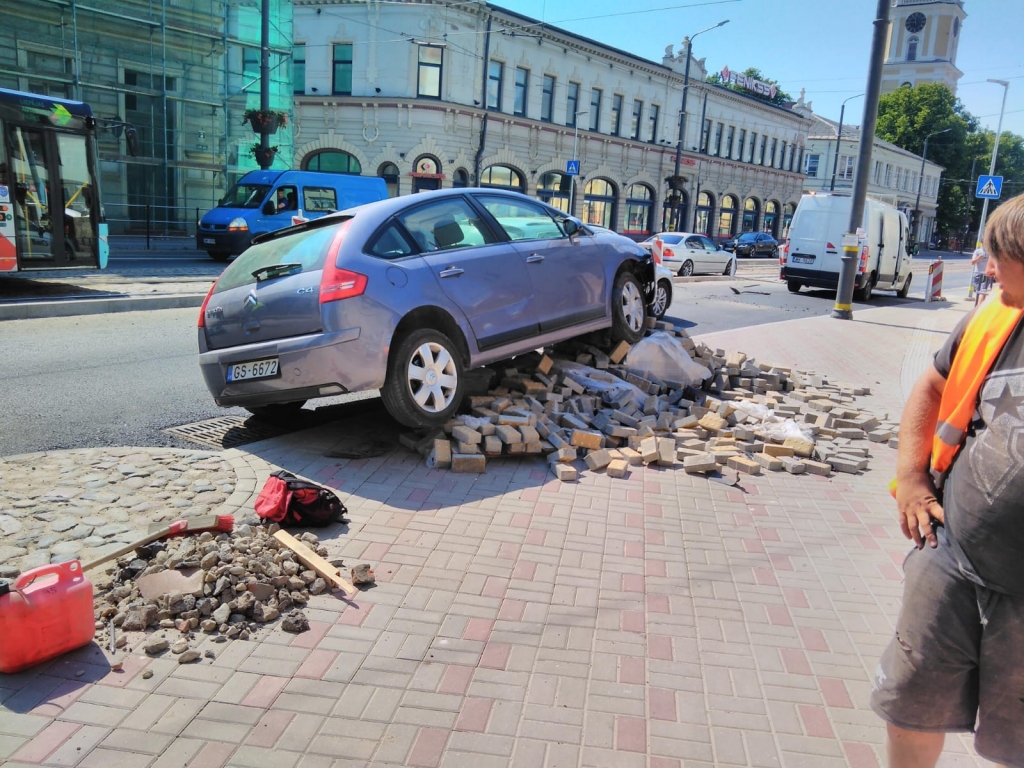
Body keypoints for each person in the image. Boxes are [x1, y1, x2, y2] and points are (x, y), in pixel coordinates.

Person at [871, 193, 1024, 767]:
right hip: (952, 557)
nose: (986, 269)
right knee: (910, 703)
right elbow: (932, 388)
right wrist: (911, 477)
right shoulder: (994, 319)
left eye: (998, 256)